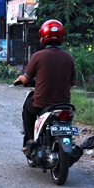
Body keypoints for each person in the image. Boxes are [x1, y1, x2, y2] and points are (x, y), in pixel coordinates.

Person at [13, 19, 77, 151]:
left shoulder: (38, 56)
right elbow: (72, 82)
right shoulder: (69, 57)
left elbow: (26, 80)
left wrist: (19, 78)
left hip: (41, 104)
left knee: (27, 109)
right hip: (64, 104)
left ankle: (30, 140)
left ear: (42, 36)